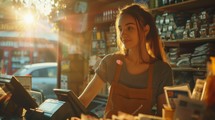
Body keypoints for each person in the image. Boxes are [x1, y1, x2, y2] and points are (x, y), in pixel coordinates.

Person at [78, 3, 173, 118]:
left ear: (145, 30)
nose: (123, 34)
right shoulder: (110, 62)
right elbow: (82, 101)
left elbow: (164, 116)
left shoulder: (162, 71)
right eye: (120, 29)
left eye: (129, 28)